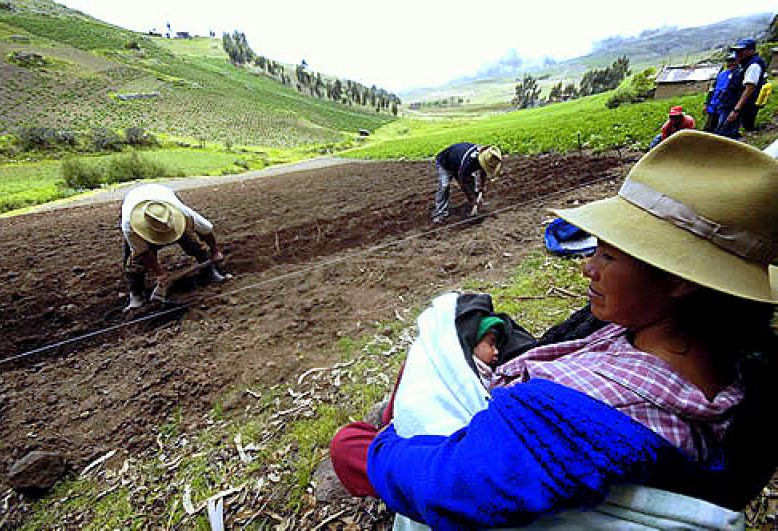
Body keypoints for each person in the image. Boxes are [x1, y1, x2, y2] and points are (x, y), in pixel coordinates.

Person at [331, 131, 778, 528]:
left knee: (451, 315)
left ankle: (387, 422)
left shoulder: (581, 417)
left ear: (679, 279)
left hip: (474, 450)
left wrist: (371, 454)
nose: (586, 267)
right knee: (484, 319)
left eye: (607, 255)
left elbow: (459, 484)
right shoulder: (712, 352)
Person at [121, 183, 226, 311]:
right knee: (135, 262)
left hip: (162, 196)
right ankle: (136, 294)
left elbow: (206, 230)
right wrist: (160, 274)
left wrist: (215, 252)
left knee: (194, 244)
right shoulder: (130, 226)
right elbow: (143, 252)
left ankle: (210, 272)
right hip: (135, 203)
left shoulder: (182, 213)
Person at [432, 142, 502, 224]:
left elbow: (484, 172)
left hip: (458, 162)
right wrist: (472, 198)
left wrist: (482, 187)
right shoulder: (470, 161)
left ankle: (476, 205)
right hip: (445, 163)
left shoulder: (486, 158)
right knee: (444, 186)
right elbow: (462, 182)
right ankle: (440, 213)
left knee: (472, 183)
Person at [716, 38, 767, 137]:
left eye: (741, 50)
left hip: (734, 106)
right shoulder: (743, 64)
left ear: (751, 51)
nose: (737, 53)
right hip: (729, 104)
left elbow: (749, 89)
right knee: (723, 131)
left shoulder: (754, 66)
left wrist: (736, 110)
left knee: (726, 134)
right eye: (736, 50)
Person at [704, 53, 738, 133]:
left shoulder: (739, 74)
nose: (731, 63)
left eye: (733, 61)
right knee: (709, 127)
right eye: (729, 61)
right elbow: (712, 90)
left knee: (721, 128)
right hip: (714, 105)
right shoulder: (722, 74)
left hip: (726, 106)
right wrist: (706, 103)